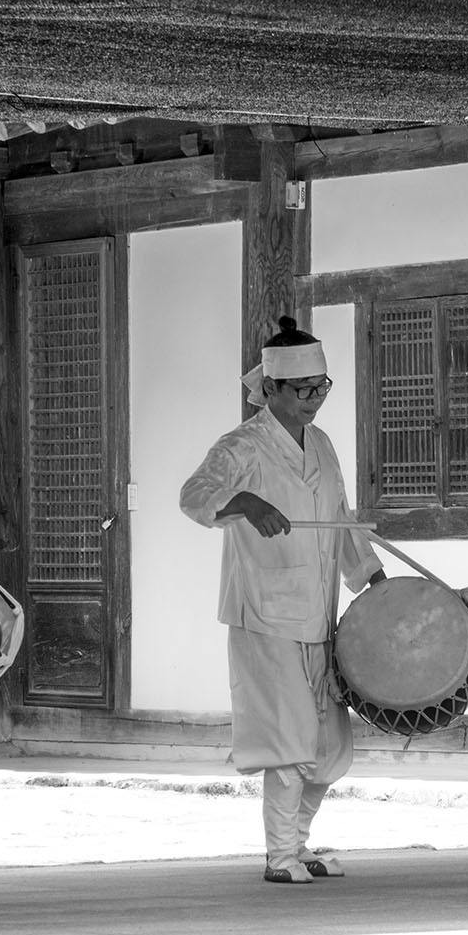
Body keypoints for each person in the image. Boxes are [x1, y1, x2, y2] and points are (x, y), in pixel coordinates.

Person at [180, 316, 383, 885]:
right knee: (290, 739)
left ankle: (301, 845)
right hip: (265, 614)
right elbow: (194, 496)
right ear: (270, 389)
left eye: (322, 387)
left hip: (318, 613)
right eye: (303, 390)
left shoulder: (321, 443)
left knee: (329, 744)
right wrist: (245, 500)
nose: (315, 400)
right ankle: (279, 857)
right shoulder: (241, 446)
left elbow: (340, 520)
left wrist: (372, 577)